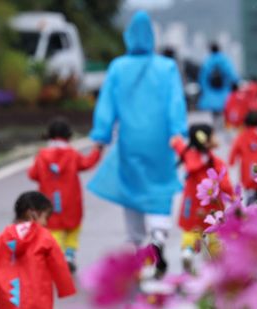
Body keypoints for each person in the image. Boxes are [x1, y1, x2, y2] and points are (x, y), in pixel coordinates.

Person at [87, 11, 188, 275]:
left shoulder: (118, 67)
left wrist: (100, 138)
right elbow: (176, 104)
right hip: (161, 143)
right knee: (160, 190)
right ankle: (158, 237)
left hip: (130, 142)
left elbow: (106, 107)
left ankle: (135, 245)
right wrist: (178, 134)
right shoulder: (166, 67)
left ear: (129, 36)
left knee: (131, 191)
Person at [28, 117, 102, 272]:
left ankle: (57, 255)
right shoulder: (72, 154)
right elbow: (87, 163)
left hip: (47, 201)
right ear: (68, 135)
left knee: (53, 229)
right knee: (73, 227)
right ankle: (69, 254)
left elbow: (33, 175)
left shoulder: (42, 155)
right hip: (71, 200)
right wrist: (97, 150)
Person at [0, 191, 76, 309]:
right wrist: (65, 287)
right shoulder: (44, 236)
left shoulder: (3, 237)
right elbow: (58, 262)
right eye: (45, 217)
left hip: (10, 298)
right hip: (38, 298)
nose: (46, 223)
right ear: (33, 214)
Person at [170, 124, 233, 272]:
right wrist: (232, 194)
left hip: (191, 205)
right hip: (211, 206)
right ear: (206, 141)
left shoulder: (189, 156)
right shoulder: (215, 163)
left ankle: (188, 251)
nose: (216, 138)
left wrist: (176, 141)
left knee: (190, 231)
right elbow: (226, 186)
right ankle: (218, 265)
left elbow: (179, 146)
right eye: (213, 135)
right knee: (214, 234)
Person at [229, 111, 257, 204]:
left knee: (249, 190)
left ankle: (250, 207)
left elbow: (234, 149)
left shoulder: (242, 135)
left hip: (247, 168)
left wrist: (231, 161)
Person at [197, 43, 239, 122]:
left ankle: (215, 126)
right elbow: (231, 74)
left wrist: (203, 88)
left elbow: (202, 77)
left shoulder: (208, 60)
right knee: (223, 110)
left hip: (211, 92)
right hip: (224, 91)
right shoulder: (225, 60)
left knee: (214, 113)